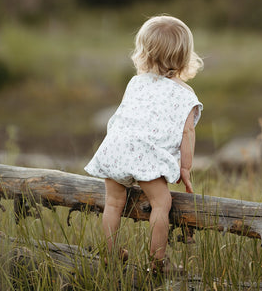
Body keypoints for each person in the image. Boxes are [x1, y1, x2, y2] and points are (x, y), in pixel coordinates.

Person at [84, 15, 203, 274]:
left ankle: (110, 254)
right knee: (161, 204)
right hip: (147, 155)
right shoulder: (186, 95)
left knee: (113, 203)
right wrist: (185, 169)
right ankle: (157, 261)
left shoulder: (136, 82)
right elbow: (187, 133)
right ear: (185, 56)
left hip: (116, 148)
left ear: (145, 54)